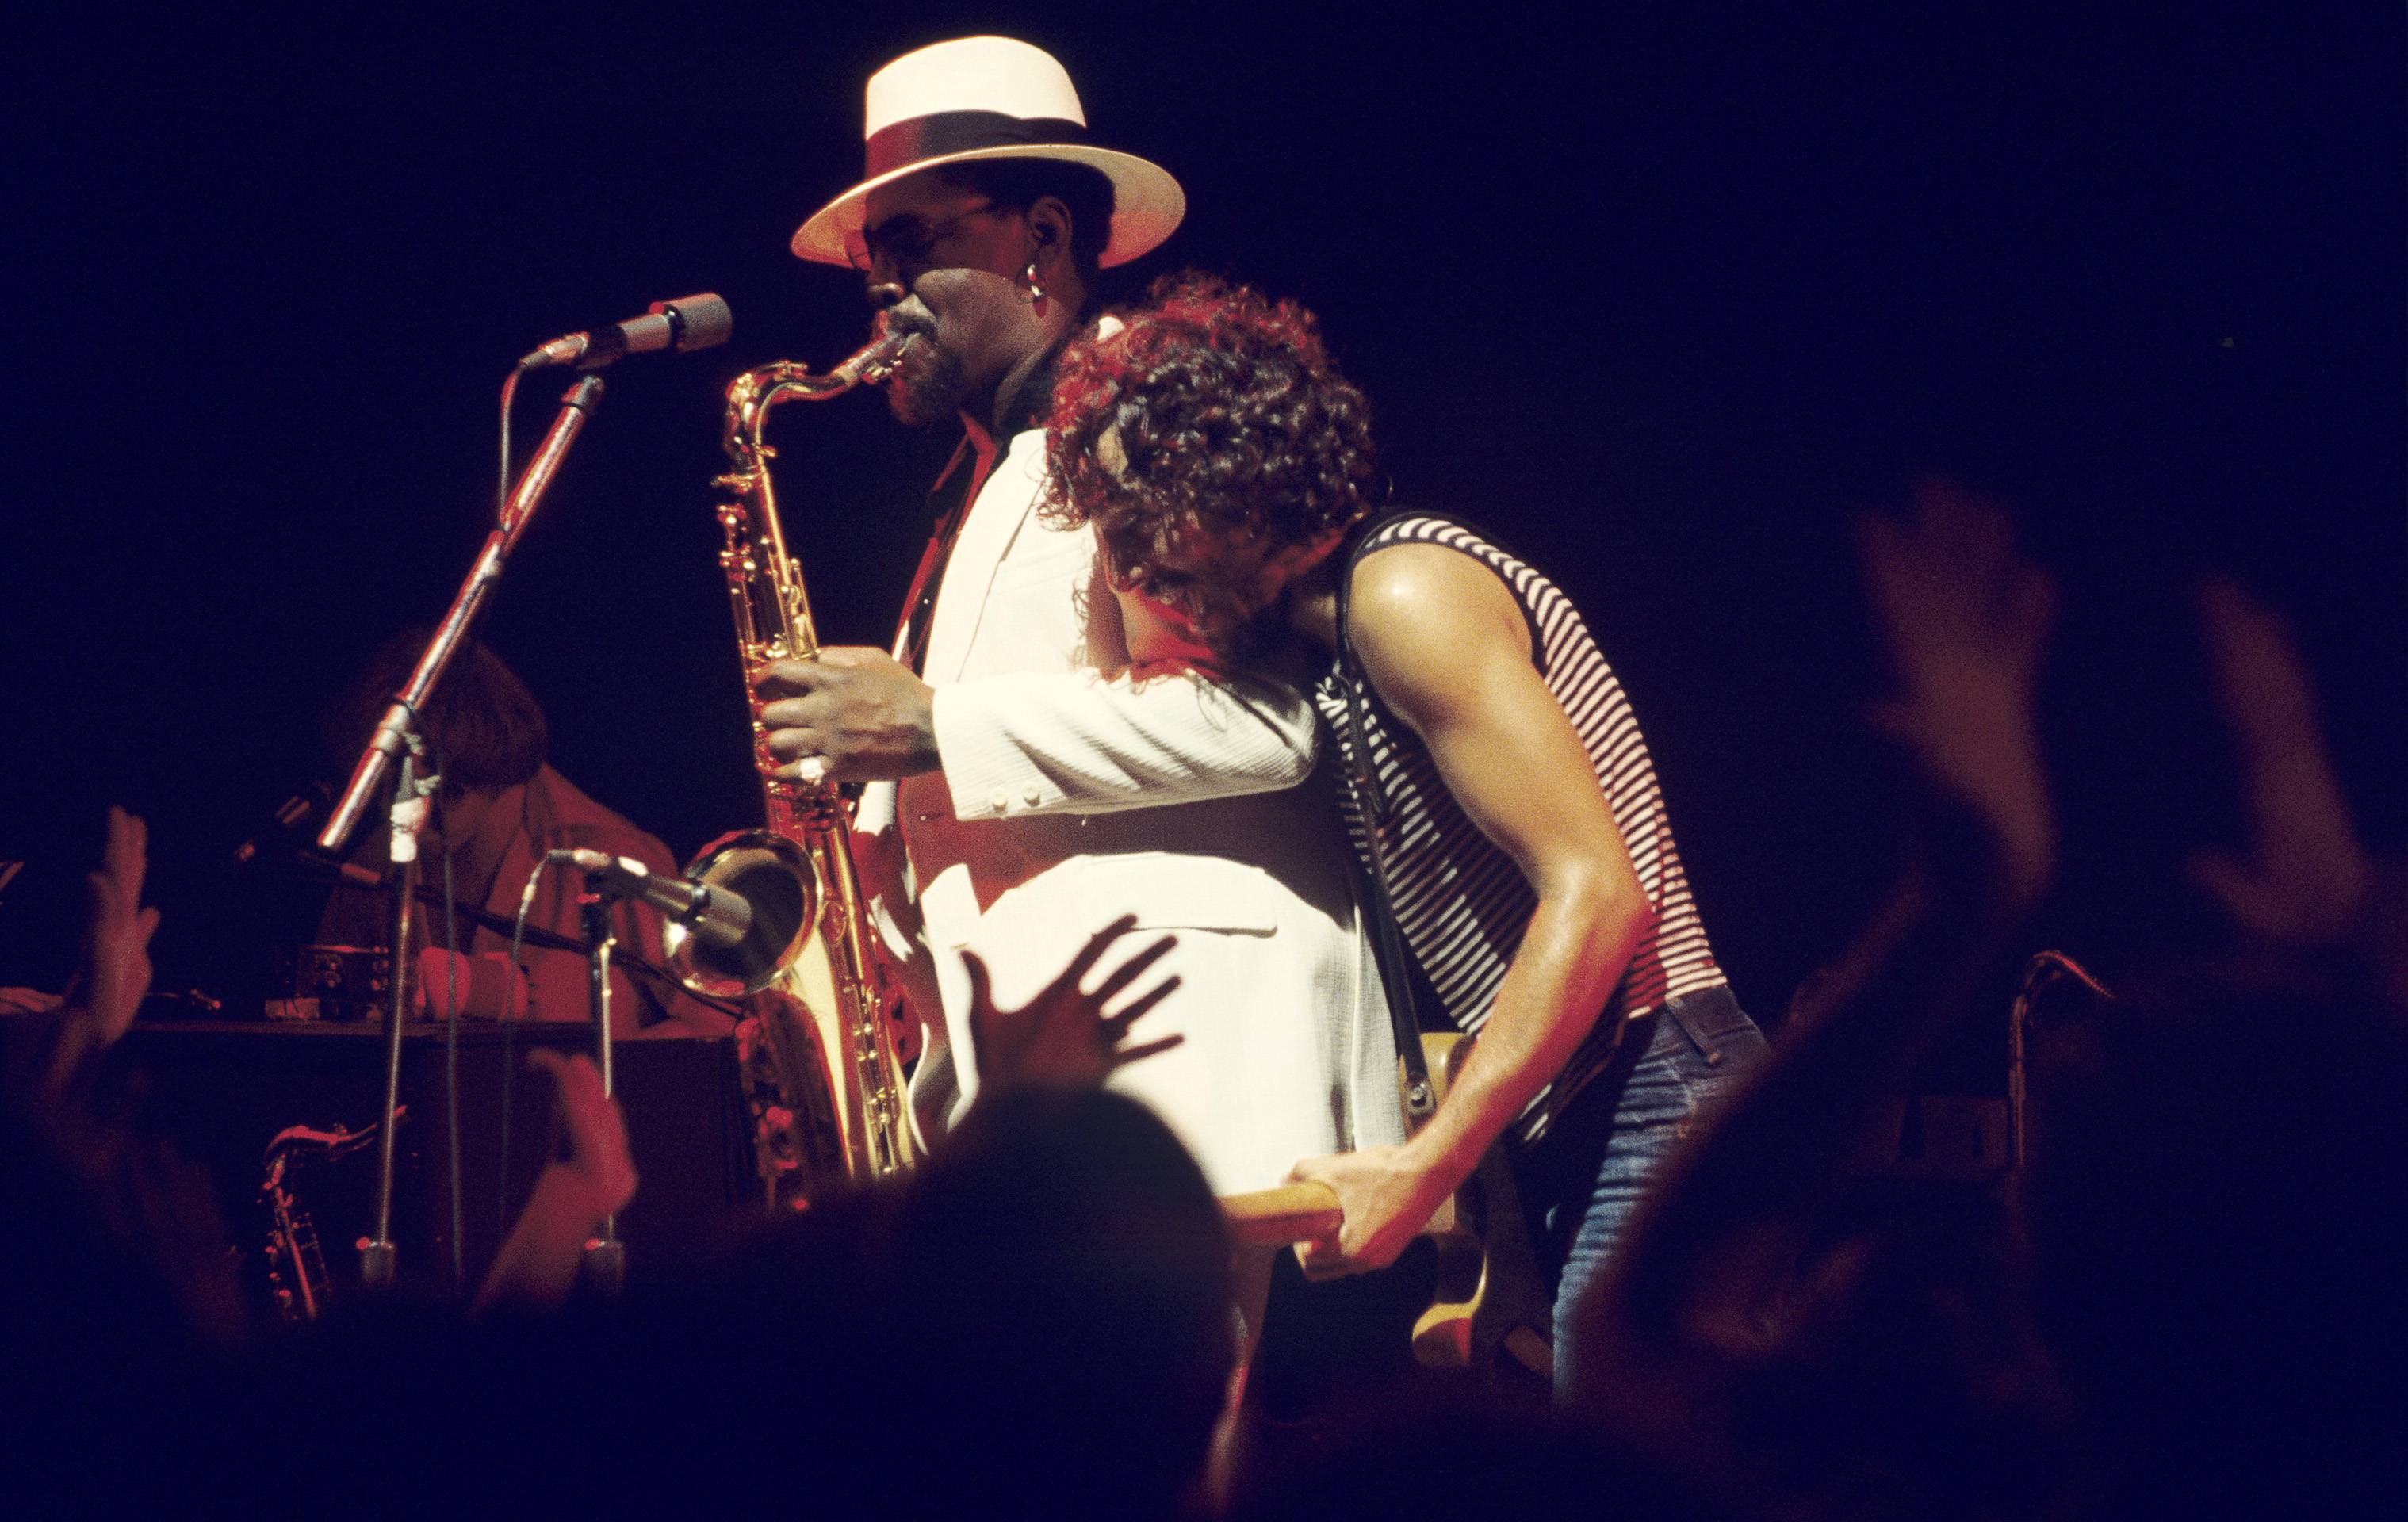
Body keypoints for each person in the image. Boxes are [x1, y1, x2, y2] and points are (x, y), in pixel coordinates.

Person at [1040, 274, 1774, 1394]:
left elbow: (1600, 895)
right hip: (1582, 1121)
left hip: (1658, 1093)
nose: (1128, 564)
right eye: (1108, 529)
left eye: (1150, 517)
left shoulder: (1405, 595)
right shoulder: (1318, 644)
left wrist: (1429, 1164)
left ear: (1251, 485)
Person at [752, 37, 1403, 1202]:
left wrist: (939, 732)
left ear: (1042, 236)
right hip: (1047, 1044)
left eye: (912, 240)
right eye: (867, 255)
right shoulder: (987, 476)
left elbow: (1269, 724)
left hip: (1189, 1026)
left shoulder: (1152, 413)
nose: (878, 286)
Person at [316, 629, 707, 1034]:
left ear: (494, 776)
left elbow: (711, 1028)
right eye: (385, 789)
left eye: (439, 795)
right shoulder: (370, 867)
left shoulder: (614, 858)